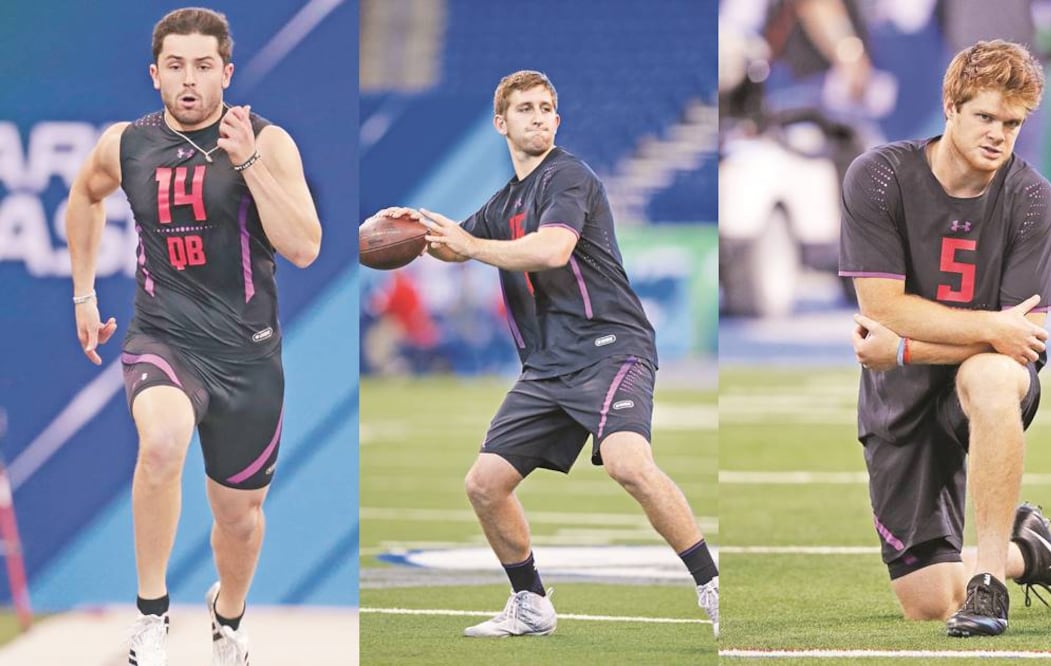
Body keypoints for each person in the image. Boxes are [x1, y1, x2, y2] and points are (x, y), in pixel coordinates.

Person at [368, 70, 719, 639]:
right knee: (484, 484)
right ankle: (530, 603)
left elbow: (552, 250)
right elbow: (457, 243)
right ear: (500, 123)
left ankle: (711, 586)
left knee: (629, 462)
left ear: (557, 119)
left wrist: (471, 246)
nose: (538, 116)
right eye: (525, 108)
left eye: (546, 107)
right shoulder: (506, 199)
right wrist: (415, 226)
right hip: (548, 366)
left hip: (610, 346)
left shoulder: (568, 177)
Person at [65, 8, 321, 665]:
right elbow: (84, 196)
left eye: (203, 66)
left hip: (248, 355)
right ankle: (152, 615)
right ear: (155, 75)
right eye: (175, 66)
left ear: (226, 73)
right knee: (162, 443)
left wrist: (251, 163)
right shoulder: (124, 144)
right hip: (163, 338)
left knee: (238, 519)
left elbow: (304, 248)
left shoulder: (269, 141)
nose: (189, 79)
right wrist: (84, 294)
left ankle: (226, 617)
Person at [840, 39, 1051, 637]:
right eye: (986, 117)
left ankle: (992, 583)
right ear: (950, 106)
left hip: (968, 377)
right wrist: (987, 328)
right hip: (899, 398)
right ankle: (1033, 551)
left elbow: (1026, 342)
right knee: (927, 601)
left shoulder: (1030, 197)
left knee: (996, 374)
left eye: (1013, 123)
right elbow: (883, 307)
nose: (999, 134)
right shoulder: (878, 176)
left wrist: (902, 347)